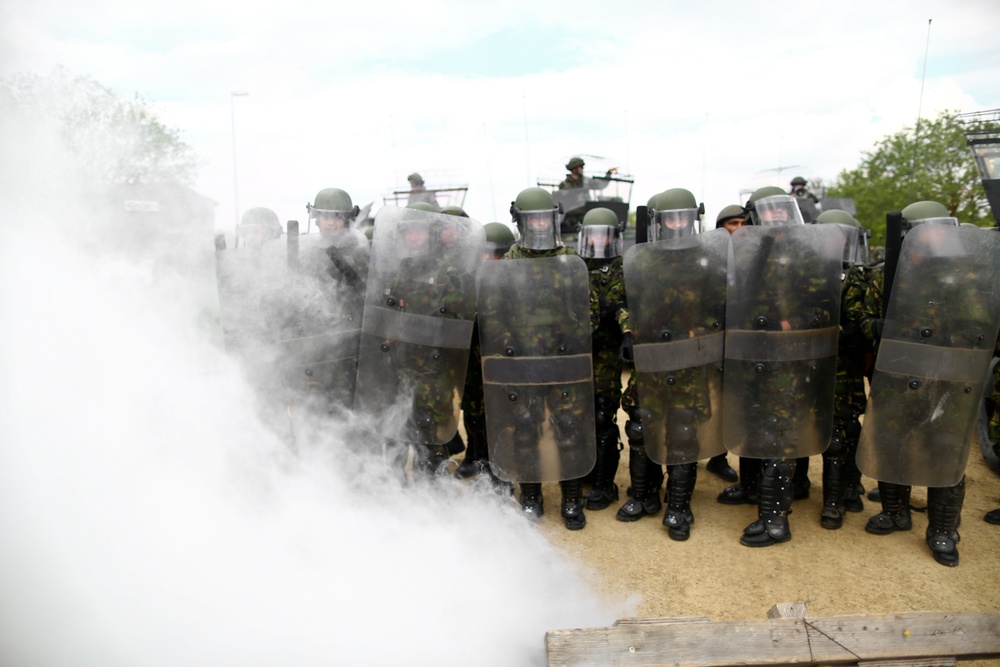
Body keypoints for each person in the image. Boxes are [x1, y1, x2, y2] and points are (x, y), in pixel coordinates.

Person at [857, 200, 1000, 566]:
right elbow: (862, 319)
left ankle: (942, 530)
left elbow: (986, 330)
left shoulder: (971, 278)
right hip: (897, 379)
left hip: (948, 382)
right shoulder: (885, 277)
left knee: (945, 454)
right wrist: (877, 328)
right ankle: (895, 511)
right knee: (891, 443)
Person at [725, 186, 842, 547]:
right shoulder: (745, 253)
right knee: (756, 427)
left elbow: (826, 304)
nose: (775, 218)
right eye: (768, 212)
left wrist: (794, 321)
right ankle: (756, 496)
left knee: (779, 435)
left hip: (787, 359)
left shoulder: (808, 252)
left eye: (781, 210)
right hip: (751, 357)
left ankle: (775, 521)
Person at [479, 187, 595, 530]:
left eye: (545, 217)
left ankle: (572, 500)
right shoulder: (507, 265)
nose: (540, 224)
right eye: (534, 218)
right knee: (526, 431)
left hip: (563, 365)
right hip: (523, 365)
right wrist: (507, 345)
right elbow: (492, 316)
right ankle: (531, 497)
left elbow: (590, 312)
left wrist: (574, 333)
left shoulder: (569, 260)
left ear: (553, 219)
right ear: (520, 221)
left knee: (568, 431)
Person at [620, 188, 728, 541]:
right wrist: (627, 330)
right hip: (650, 360)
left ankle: (679, 507)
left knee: (683, 433)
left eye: (683, 217)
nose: (678, 223)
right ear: (660, 222)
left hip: (689, 363)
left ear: (693, 219)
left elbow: (725, 305)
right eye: (671, 217)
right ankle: (643, 496)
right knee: (640, 428)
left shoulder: (708, 259)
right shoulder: (642, 259)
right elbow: (625, 302)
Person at [815, 209, 870, 529]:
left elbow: (861, 325)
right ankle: (800, 485)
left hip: (844, 369)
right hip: (810, 366)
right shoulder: (806, 276)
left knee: (844, 431)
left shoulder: (861, 277)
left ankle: (839, 497)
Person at [455, 222, 516, 481]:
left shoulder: (515, 282)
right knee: (473, 408)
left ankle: (499, 463)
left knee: (500, 412)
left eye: (497, 254)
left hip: (502, 357)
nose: (490, 259)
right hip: (472, 356)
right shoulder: (467, 279)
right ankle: (475, 456)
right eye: (485, 253)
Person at [577, 207, 627, 511]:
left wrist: (628, 331)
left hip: (607, 353)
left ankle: (604, 484)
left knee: (601, 416)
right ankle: (584, 469)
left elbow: (628, 306)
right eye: (593, 234)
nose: (599, 240)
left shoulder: (625, 268)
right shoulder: (572, 266)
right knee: (576, 417)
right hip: (576, 353)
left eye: (604, 234)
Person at [557, 156, 618, 230]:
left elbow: (599, 184)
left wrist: (608, 174)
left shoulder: (586, 181)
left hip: (586, 215)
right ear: (574, 168)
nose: (582, 169)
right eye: (580, 167)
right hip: (570, 219)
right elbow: (562, 204)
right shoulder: (564, 185)